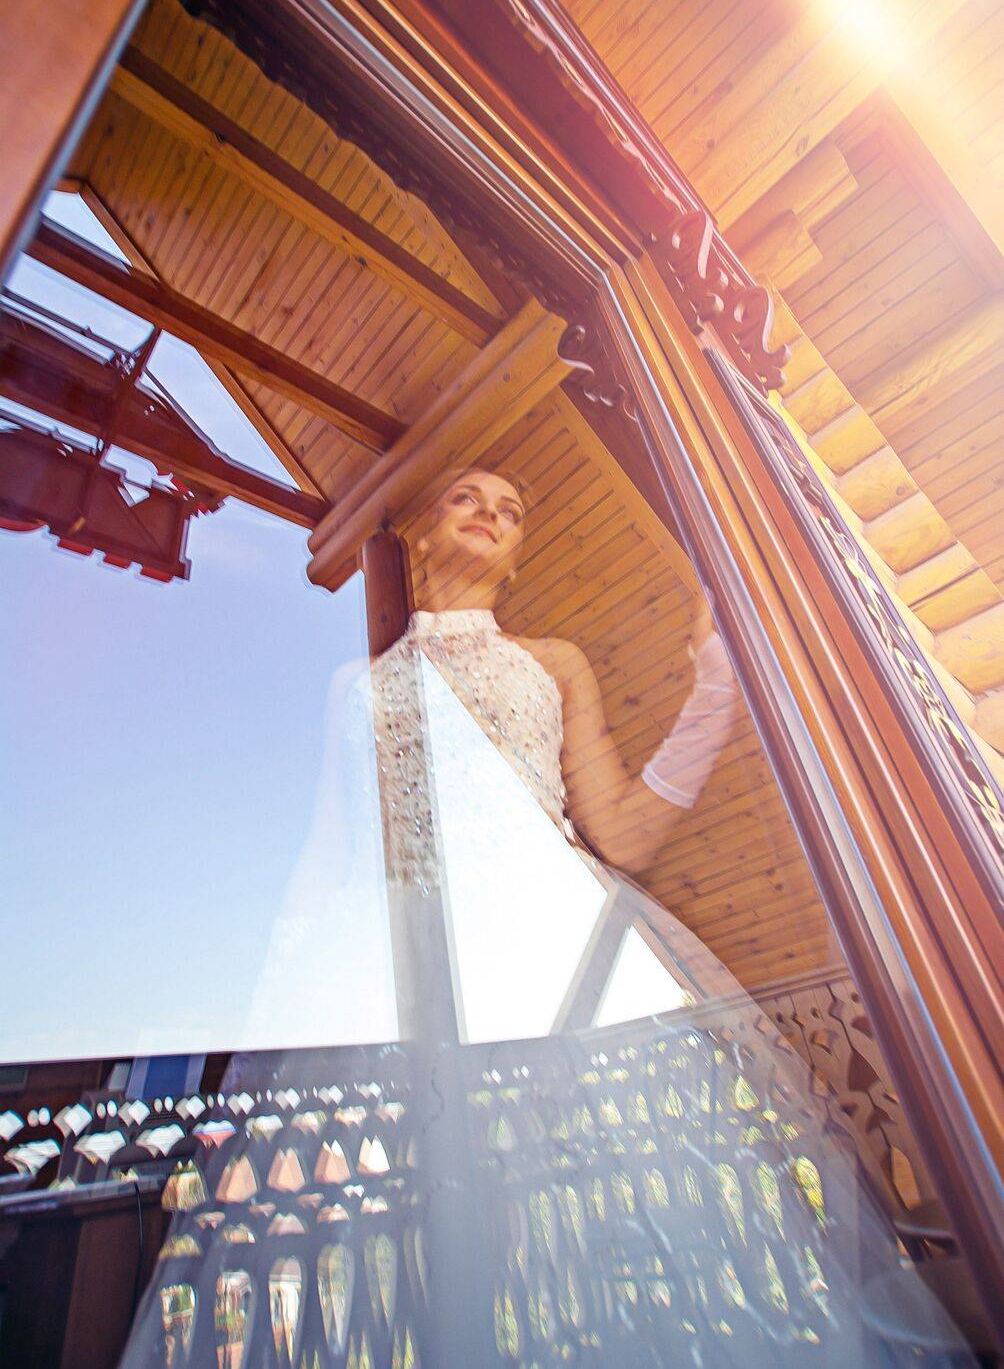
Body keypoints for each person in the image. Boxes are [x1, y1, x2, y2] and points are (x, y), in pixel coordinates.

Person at [119, 467, 974, 1368]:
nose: (491, 514)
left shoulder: (554, 662)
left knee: (584, 1209)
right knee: (406, 1231)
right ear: (423, 533)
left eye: (511, 509)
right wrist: (271, 1008)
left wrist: (715, 695)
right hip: (392, 962)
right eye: (468, 498)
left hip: (543, 948)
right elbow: (327, 848)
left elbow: (624, 833)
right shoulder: (352, 684)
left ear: (518, 557)